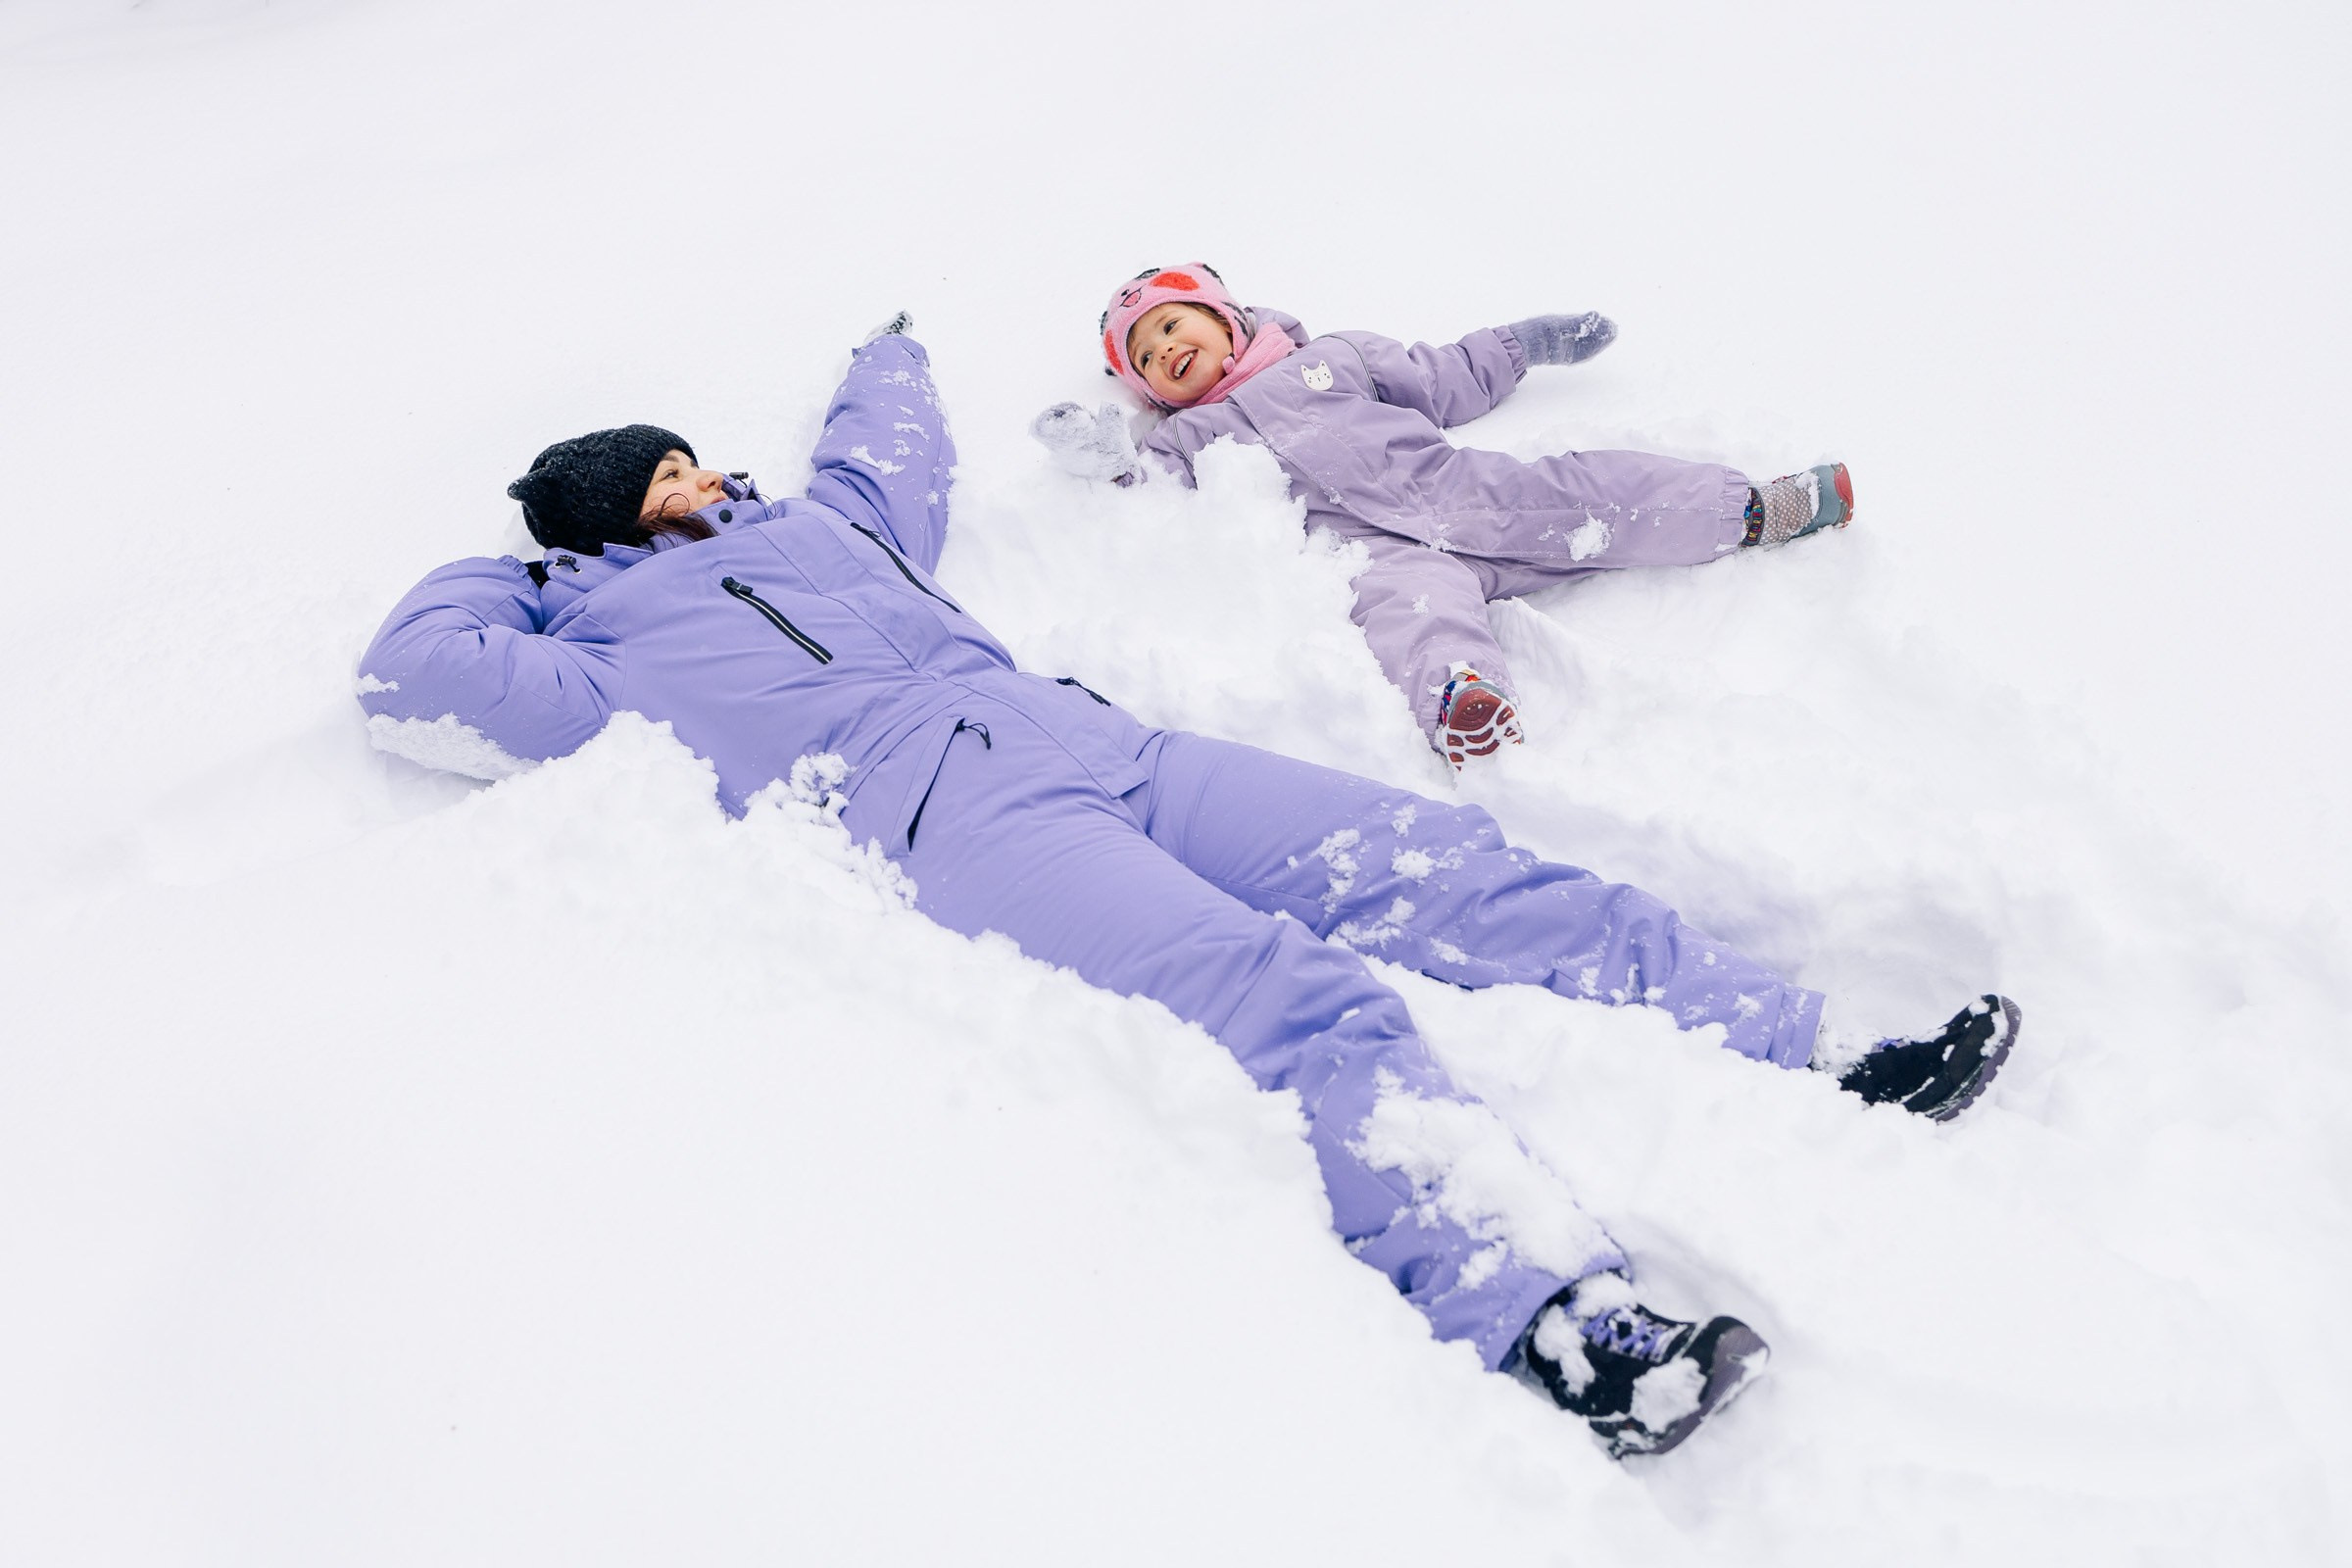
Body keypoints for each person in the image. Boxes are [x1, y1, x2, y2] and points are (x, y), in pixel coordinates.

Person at [357, 318, 2017, 1460]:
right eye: (664, 484)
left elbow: (887, 462)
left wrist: (892, 349)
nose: (707, 481)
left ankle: (1808, 1042)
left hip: (1102, 744)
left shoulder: (827, 532)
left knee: (1444, 867)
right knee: (1296, 1003)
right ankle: (1563, 1327)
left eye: (696, 462)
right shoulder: (594, 651)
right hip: (955, 824)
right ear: (603, 531)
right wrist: (527, 559)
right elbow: (410, 675)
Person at [1031, 264, 1854, 767]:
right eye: (1145, 360)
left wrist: (1524, 343)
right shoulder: (1193, 437)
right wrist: (1105, 461)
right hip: (1374, 558)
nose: (1165, 350)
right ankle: (1467, 705)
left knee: (1589, 493)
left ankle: (1750, 508)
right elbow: (1147, 509)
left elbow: (1442, 377)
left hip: (1463, 493)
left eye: (1173, 324)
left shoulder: (1333, 358)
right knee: (1414, 619)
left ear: (1225, 316)